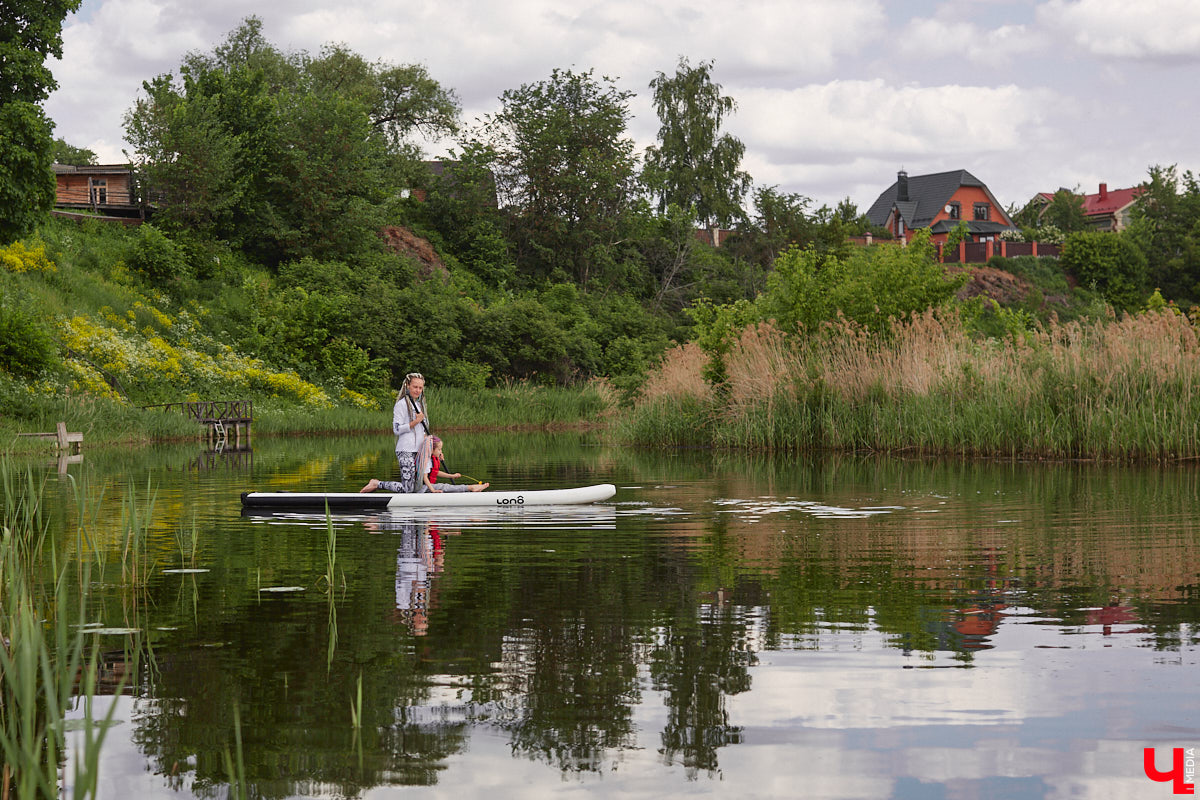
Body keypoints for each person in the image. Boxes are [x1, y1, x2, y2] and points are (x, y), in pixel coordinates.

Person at [359, 372, 428, 494]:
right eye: (415, 387)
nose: (418, 390)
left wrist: (433, 449)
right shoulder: (401, 405)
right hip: (405, 450)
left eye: (420, 388)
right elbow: (396, 429)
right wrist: (416, 421)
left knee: (416, 488)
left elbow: (424, 431)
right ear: (407, 386)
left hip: (419, 451)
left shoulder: (419, 405)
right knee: (408, 489)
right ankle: (377, 484)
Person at [361, 434, 489, 493]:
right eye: (439, 449)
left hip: (427, 486)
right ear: (431, 450)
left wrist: (452, 476)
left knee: (444, 486)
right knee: (444, 487)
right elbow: (424, 477)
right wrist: (433, 490)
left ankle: (470, 488)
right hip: (422, 488)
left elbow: (435, 472)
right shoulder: (425, 460)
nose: (441, 451)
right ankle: (471, 488)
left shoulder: (432, 459)